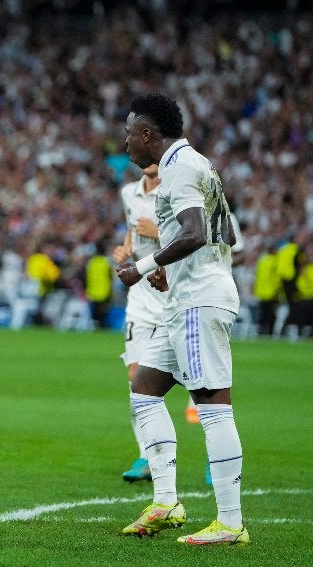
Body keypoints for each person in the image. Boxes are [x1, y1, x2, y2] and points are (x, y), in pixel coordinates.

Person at [117, 92, 248, 545]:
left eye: (129, 133)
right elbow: (226, 231)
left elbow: (194, 231)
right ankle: (167, 502)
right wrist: (173, 267)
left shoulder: (179, 170)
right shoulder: (200, 165)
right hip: (187, 297)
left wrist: (146, 267)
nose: (126, 142)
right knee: (145, 391)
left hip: (198, 300)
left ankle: (230, 524)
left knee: (213, 406)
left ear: (148, 134)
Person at [113, 163, 163, 483]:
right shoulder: (128, 193)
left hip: (174, 299)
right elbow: (132, 231)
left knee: (201, 388)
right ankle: (147, 455)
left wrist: (159, 232)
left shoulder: (175, 191)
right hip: (141, 303)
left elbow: (199, 235)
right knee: (136, 381)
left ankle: (217, 457)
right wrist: (126, 248)